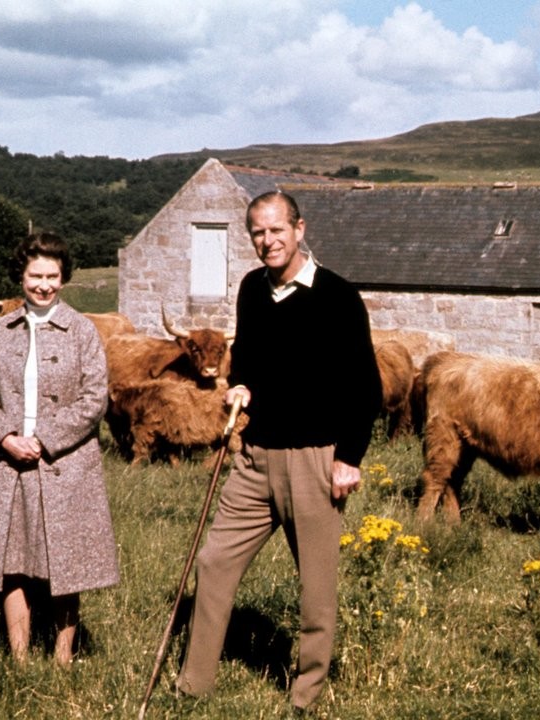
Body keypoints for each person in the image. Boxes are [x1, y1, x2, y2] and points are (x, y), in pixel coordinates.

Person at [176, 191, 383, 712]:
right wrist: (241, 384)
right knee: (215, 561)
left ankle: (305, 696)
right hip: (254, 457)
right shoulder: (251, 289)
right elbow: (246, 355)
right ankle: (193, 685)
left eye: (276, 230)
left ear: (299, 229)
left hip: (315, 459)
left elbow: (366, 388)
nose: (267, 241)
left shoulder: (337, 296)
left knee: (315, 591)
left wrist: (348, 458)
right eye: (257, 233)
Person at [0, 232, 119, 666]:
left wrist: (46, 439)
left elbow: (94, 399)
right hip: (7, 465)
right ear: (21, 276)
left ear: (63, 277)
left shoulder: (83, 331)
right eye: (36, 276)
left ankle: (63, 655)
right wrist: (5, 437)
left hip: (65, 464)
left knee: (65, 562)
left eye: (53, 276)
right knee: (12, 562)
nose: (44, 285)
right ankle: (18, 657)